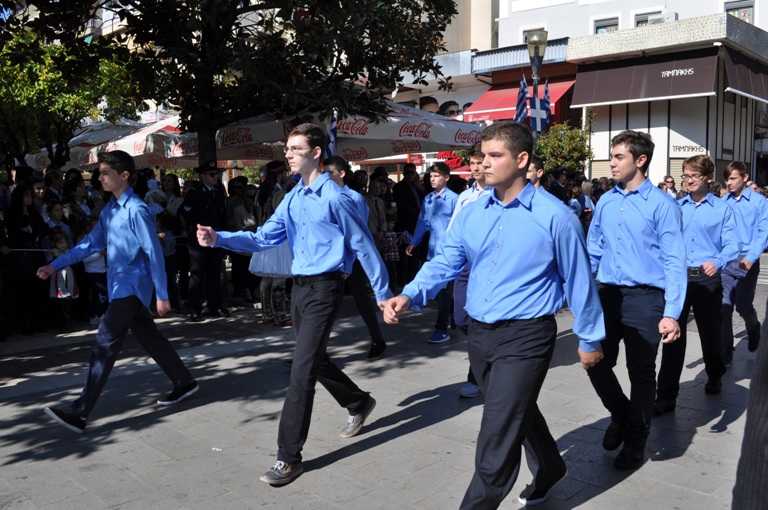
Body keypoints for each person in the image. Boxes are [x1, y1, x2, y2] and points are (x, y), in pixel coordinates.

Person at [381, 122, 605, 509]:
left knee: (497, 431)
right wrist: (410, 293)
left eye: (494, 155)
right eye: (482, 155)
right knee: (514, 409)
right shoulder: (473, 212)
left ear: (522, 159)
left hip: (527, 336)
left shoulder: (555, 216)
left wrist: (589, 337)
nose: (483, 163)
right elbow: (447, 261)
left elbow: (579, 279)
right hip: (480, 334)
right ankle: (550, 466)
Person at [196, 123, 391, 487]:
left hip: (326, 288)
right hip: (299, 288)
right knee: (313, 359)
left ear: (316, 153)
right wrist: (219, 238)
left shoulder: (337, 198)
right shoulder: (293, 197)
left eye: (295, 148)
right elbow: (263, 238)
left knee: (301, 372)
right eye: (286, 148)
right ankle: (358, 402)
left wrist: (382, 294)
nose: (287, 154)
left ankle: (288, 457)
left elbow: (363, 246)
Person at [36, 150, 198, 434]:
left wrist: (162, 294)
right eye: (99, 173)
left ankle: (80, 411)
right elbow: (89, 244)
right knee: (150, 338)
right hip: (119, 287)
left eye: (105, 173)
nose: (99, 178)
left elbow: (154, 252)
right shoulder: (110, 210)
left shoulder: (137, 210)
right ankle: (184, 381)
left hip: (131, 288)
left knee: (104, 343)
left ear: (124, 175)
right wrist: (54, 265)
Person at [586, 130, 686, 471]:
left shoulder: (663, 205)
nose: (611, 163)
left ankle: (636, 440)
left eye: (618, 157)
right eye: (611, 156)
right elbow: (594, 248)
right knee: (594, 359)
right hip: (607, 294)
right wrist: (584, 291)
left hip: (646, 298)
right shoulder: (605, 201)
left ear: (640, 160)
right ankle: (622, 414)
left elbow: (674, 260)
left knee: (641, 371)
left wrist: (672, 313)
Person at [655, 155, 738, 415]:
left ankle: (714, 374)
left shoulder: (722, 209)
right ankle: (666, 396)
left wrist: (718, 261)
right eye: (685, 175)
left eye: (694, 176)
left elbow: (733, 245)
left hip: (706, 279)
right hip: (678, 278)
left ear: (708, 178)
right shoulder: (676, 207)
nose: (688, 180)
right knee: (672, 336)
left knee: (709, 333)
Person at [324, 156, 388, 359]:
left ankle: (377, 339)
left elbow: (359, 231)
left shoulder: (354, 198)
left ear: (341, 173)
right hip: (332, 259)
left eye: (329, 173)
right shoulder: (323, 196)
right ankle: (314, 349)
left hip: (352, 258)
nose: (325, 177)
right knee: (326, 304)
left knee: (361, 299)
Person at [449, 150, 489, 399]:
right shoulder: (465, 196)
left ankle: (476, 376)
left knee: (479, 320)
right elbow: (453, 229)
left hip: (485, 264)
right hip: (464, 264)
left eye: (479, 163)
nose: (475, 168)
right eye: (472, 164)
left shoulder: (496, 195)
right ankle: (486, 355)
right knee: (461, 318)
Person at [406, 162, 458, 343]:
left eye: (436, 176)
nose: (432, 179)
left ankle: (441, 328)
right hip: (433, 250)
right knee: (445, 289)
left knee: (444, 290)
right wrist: (414, 242)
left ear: (446, 178)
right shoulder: (428, 199)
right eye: (431, 176)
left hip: (450, 252)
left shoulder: (454, 199)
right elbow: (422, 222)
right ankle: (453, 318)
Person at [721, 161, 768, 360]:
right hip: (726, 262)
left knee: (742, 305)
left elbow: (764, 232)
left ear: (745, 177)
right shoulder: (723, 202)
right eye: (727, 179)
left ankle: (753, 326)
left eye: (733, 178)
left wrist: (751, 257)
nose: (729, 183)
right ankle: (725, 352)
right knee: (724, 308)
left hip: (747, 261)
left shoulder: (759, 202)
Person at [182, 162, 228, 320]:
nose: (216, 177)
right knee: (197, 274)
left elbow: (222, 216)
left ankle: (214, 306)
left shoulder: (219, 192)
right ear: (202, 176)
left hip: (215, 239)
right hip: (198, 240)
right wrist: (193, 232)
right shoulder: (194, 193)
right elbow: (186, 215)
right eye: (212, 174)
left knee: (215, 273)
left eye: (217, 174)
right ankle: (194, 308)